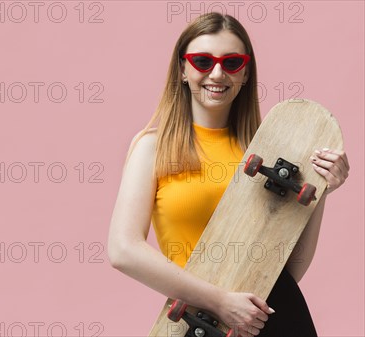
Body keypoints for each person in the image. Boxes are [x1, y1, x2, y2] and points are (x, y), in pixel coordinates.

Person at [107, 12, 349, 337]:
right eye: (203, 61)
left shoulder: (264, 150)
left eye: (232, 62)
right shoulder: (152, 148)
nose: (217, 73)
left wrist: (319, 192)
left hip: (274, 317)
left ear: (246, 72)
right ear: (182, 69)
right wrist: (221, 302)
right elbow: (123, 250)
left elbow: (286, 271)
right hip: (205, 322)